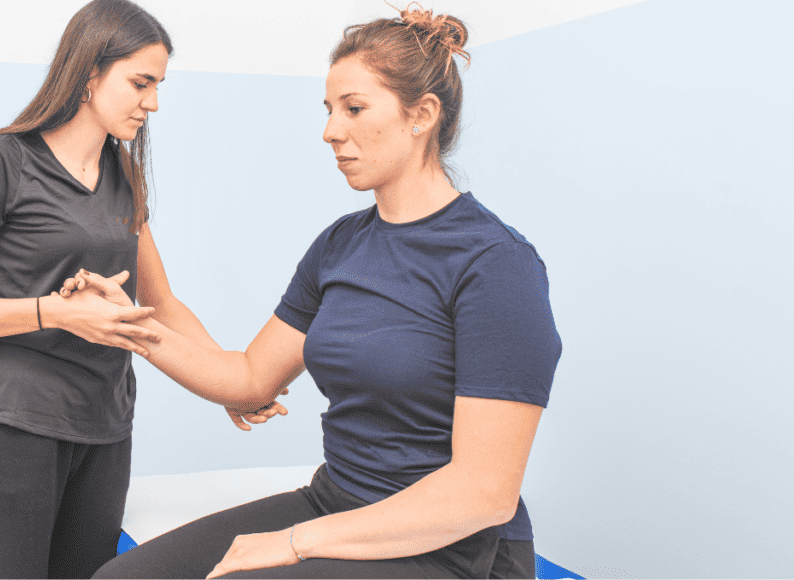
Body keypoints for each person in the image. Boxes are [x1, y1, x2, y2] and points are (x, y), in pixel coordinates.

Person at [68, 6, 563, 579]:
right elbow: (251, 378)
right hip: (337, 502)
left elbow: (483, 495)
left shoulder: (495, 264)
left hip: (450, 546)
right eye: (330, 110)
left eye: (354, 108)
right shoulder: (340, 246)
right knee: (120, 578)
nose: (331, 129)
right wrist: (126, 323)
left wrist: (295, 543)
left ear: (421, 115)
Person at [0, 1, 284, 577]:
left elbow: (162, 303)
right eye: (140, 83)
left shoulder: (122, 172)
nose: (152, 102)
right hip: (9, 429)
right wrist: (56, 313)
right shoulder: (5, 160)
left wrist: (230, 382)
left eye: (157, 85)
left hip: (104, 432)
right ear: (88, 73)